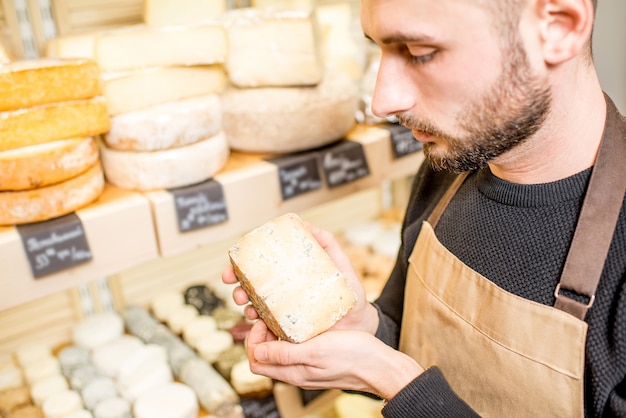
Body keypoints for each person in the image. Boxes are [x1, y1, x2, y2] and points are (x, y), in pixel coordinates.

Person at [222, 0, 626, 415]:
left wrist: (392, 380)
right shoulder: (448, 171)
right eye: (379, 49)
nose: (383, 100)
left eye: (419, 53)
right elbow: (411, 343)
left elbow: (404, 377)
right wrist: (367, 331)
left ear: (558, 28)